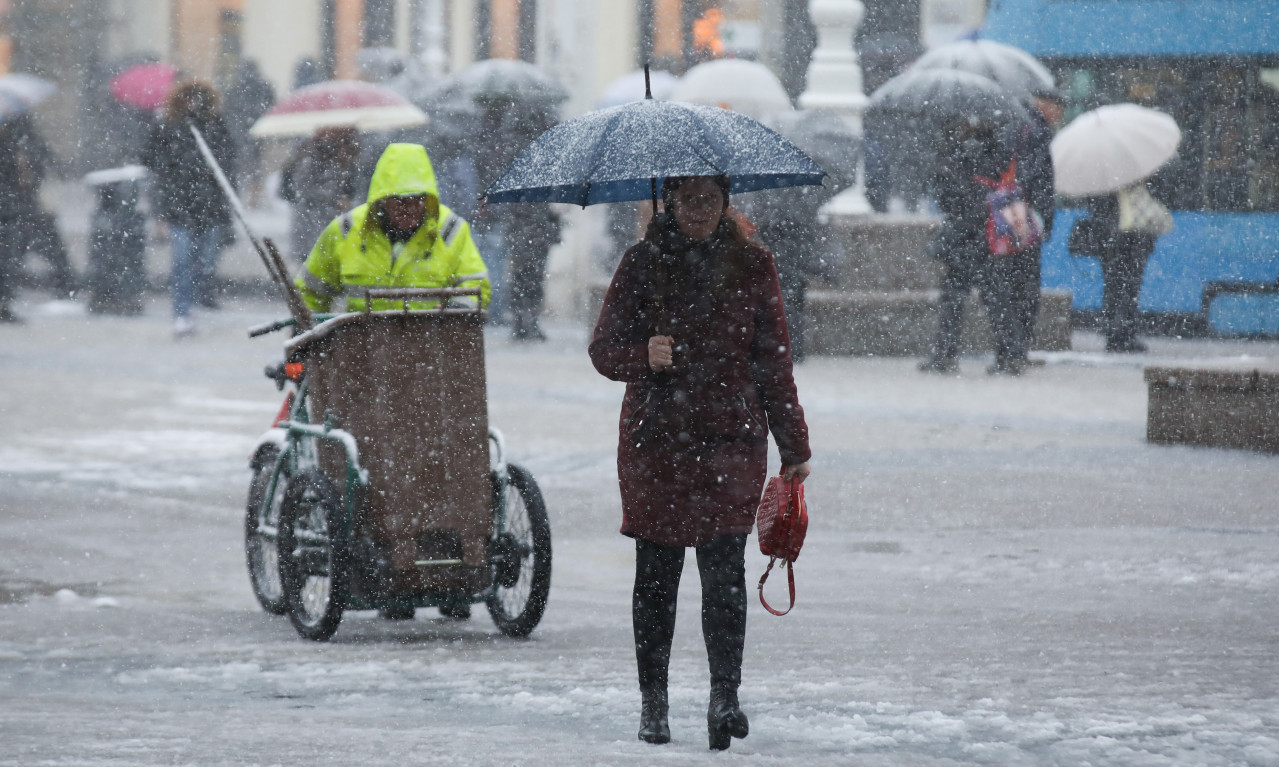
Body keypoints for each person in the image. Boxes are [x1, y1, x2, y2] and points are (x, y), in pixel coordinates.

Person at [589, 175, 811, 751]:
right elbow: (602, 349)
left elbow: (774, 360)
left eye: (709, 200)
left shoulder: (754, 266)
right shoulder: (642, 264)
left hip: (728, 438)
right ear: (668, 202)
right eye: (687, 200)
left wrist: (795, 447)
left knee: (724, 577)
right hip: (657, 441)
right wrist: (643, 354)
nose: (698, 211)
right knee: (656, 578)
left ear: (726, 202)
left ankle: (724, 698)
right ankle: (654, 705)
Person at [295, 142, 490, 315]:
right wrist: (312, 334)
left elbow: (476, 285)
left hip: (430, 349)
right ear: (382, 200)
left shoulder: (451, 230)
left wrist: (456, 312)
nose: (410, 208)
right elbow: (310, 291)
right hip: (361, 349)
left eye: (418, 199)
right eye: (401, 200)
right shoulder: (346, 230)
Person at [918, 119, 1032, 376]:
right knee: (995, 297)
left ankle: (945, 354)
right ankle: (1009, 355)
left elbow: (952, 198)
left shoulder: (960, 153)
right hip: (989, 237)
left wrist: (943, 165)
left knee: (955, 298)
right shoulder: (998, 151)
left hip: (965, 237)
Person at [142, 80, 236, 337]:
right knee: (182, 261)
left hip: (209, 206)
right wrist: (160, 210)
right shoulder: (168, 128)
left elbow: (228, 164)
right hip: (179, 208)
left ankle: (193, 303)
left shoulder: (214, 126)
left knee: (204, 262)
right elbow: (153, 165)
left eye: (198, 98)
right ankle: (182, 312)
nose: (193, 103)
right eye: (188, 98)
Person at [1074, 182, 1170, 353]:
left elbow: (1093, 205)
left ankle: (1119, 333)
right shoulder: (1125, 178)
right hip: (1122, 239)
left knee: (1120, 287)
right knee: (1122, 287)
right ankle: (1119, 334)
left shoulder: (1105, 179)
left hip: (1121, 239)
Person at [0, 114, 78, 322]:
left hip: (19, 206)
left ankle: (66, 285)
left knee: (15, 251)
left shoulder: (17, 128)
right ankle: (66, 285)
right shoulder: (15, 129)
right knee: (14, 252)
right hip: (16, 206)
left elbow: (38, 157)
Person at [280, 127, 361, 261]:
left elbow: (350, 184)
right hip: (311, 216)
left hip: (332, 218)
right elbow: (302, 185)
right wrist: (334, 198)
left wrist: (346, 197)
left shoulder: (346, 149)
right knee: (311, 259)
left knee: (332, 257)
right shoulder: (309, 152)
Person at [504, 203, 562, 341]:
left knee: (531, 283)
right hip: (528, 238)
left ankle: (528, 322)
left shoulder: (543, 194)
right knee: (524, 282)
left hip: (534, 238)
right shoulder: (538, 194)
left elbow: (553, 215)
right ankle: (522, 323)